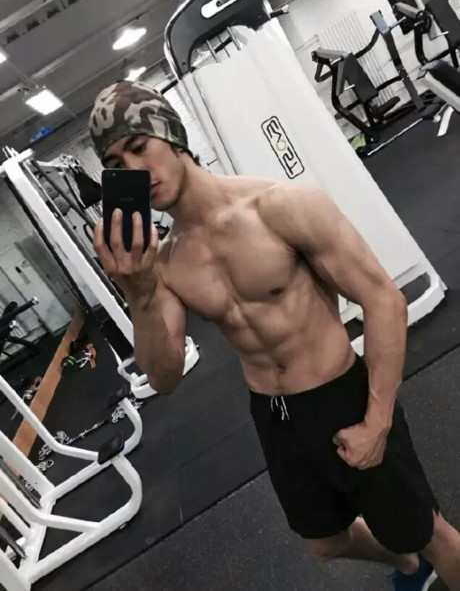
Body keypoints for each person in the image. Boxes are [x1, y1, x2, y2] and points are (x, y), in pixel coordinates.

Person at [90, 81, 460, 590]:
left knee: (427, 531)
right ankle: (410, 566)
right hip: (274, 414)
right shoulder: (167, 262)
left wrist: (378, 421)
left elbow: (383, 300)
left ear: (173, 138)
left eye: (139, 147)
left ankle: (421, 554)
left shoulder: (280, 206)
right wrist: (139, 293)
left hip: (342, 394)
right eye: (117, 165)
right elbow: (164, 376)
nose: (135, 170)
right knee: (324, 543)